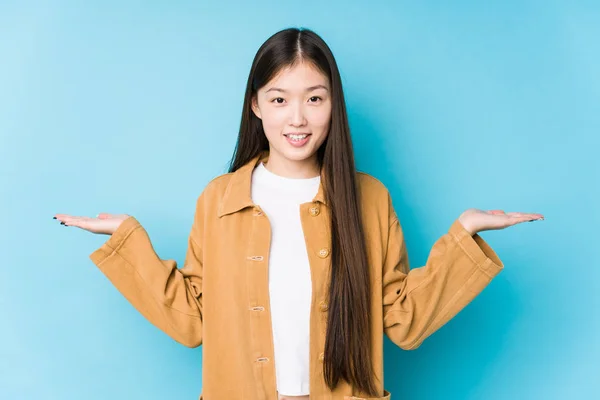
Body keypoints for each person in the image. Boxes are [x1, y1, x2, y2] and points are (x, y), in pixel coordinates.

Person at [54, 27, 544, 400]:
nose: (298, 118)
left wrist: (466, 235)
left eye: (314, 98)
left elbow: (403, 320)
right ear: (256, 106)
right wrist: (126, 239)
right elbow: (193, 320)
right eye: (279, 99)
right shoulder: (220, 199)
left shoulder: (368, 199)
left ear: (334, 105)